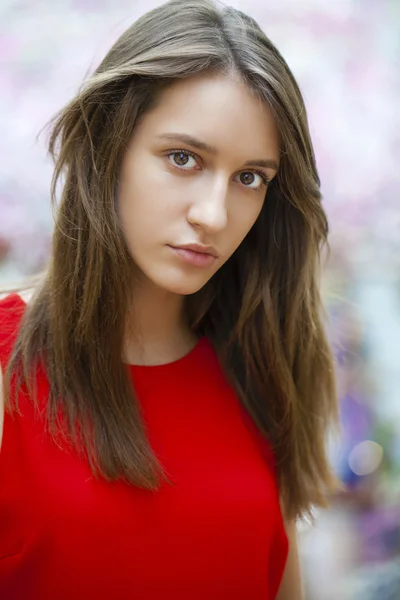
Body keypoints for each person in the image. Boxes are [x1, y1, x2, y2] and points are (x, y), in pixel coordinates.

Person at [0, 0, 339, 598]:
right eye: (183, 158)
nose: (213, 215)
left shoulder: (261, 368)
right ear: (109, 147)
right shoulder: (9, 366)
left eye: (250, 177)